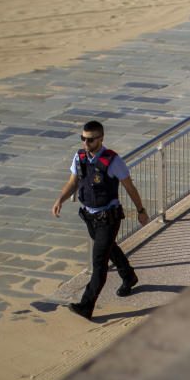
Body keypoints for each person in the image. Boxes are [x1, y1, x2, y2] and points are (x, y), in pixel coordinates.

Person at [52, 120, 149, 320]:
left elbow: (130, 187)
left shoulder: (113, 161)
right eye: (83, 139)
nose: (85, 143)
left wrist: (141, 210)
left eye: (90, 140)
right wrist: (59, 200)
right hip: (90, 216)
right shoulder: (79, 157)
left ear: (101, 139)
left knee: (99, 262)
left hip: (109, 218)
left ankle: (86, 305)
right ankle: (129, 276)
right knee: (109, 248)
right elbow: (73, 181)